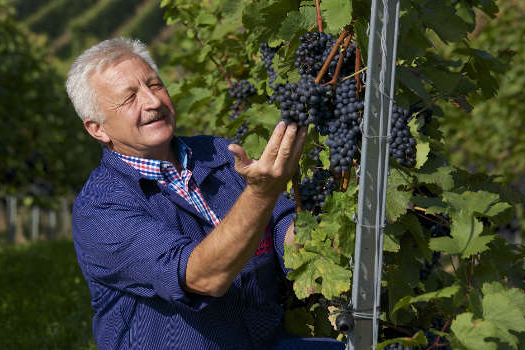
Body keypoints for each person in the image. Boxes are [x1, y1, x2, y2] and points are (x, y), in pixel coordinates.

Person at [67, 37, 343, 350]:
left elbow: (280, 224)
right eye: (130, 98)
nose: (153, 102)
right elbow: (201, 277)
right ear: (97, 128)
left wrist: (331, 240)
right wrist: (261, 195)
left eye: (155, 85)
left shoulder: (217, 152)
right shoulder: (100, 210)